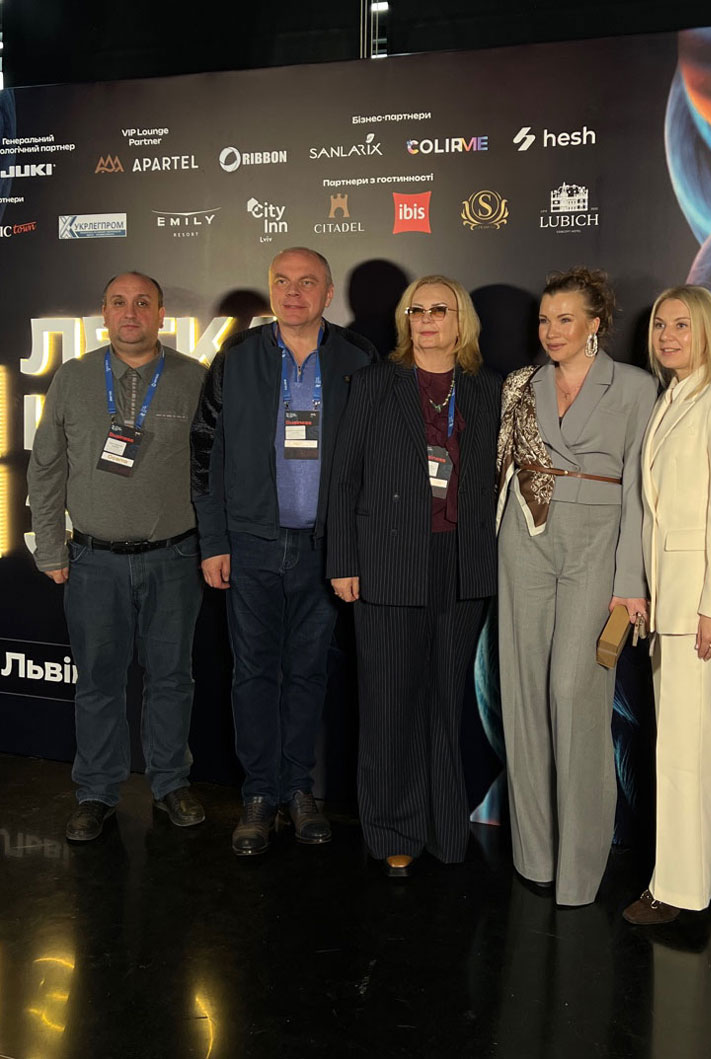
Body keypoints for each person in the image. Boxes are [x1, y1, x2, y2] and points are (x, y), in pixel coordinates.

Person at [191, 247, 375, 856]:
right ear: (271, 290)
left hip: (325, 547)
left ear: (328, 293)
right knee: (253, 672)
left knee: (307, 671)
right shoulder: (237, 357)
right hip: (251, 544)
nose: (294, 292)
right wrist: (214, 541)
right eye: (282, 282)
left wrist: (353, 548)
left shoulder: (357, 358)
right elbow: (206, 453)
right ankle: (259, 795)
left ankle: (298, 788)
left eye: (307, 282)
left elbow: (373, 462)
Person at [328, 275, 501, 877]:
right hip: (386, 561)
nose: (426, 319)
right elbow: (344, 477)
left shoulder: (487, 390)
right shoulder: (375, 384)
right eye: (417, 310)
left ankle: (445, 826)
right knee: (388, 704)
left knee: (446, 702)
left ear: (461, 322)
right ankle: (393, 829)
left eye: (439, 310)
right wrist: (343, 561)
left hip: (462, 564)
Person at [496, 267, 657, 907]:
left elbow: (642, 491)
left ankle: (580, 867)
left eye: (565, 319)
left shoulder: (636, 386)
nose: (552, 331)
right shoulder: (521, 384)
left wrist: (631, 579)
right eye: (544, 319)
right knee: (523, 694)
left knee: (574, 691)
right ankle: (534, 856)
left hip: (597, 541)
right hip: (525, 535)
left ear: (595, 323)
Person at [28, 272, 207, 841]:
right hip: (93, 562)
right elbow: (47, 466)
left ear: (161, 314)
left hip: (173, 558)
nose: (131, 312)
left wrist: (215, 546)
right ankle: (96, 792)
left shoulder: (194, 378)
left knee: (172, 678)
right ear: (103, 313)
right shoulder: (74, 378)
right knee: (98, 682)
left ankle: (170, 783)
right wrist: (50, 546)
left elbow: (214, 472)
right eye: (119, 303)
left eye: (143, 303)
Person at [622, 285, 711, 925]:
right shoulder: (670, 399)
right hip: (670, 599)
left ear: (708, 332)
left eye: (682, 325)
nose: (667, 336)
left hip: (700, 603)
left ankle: (677, 889)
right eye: (660, 325)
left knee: (683, 747)